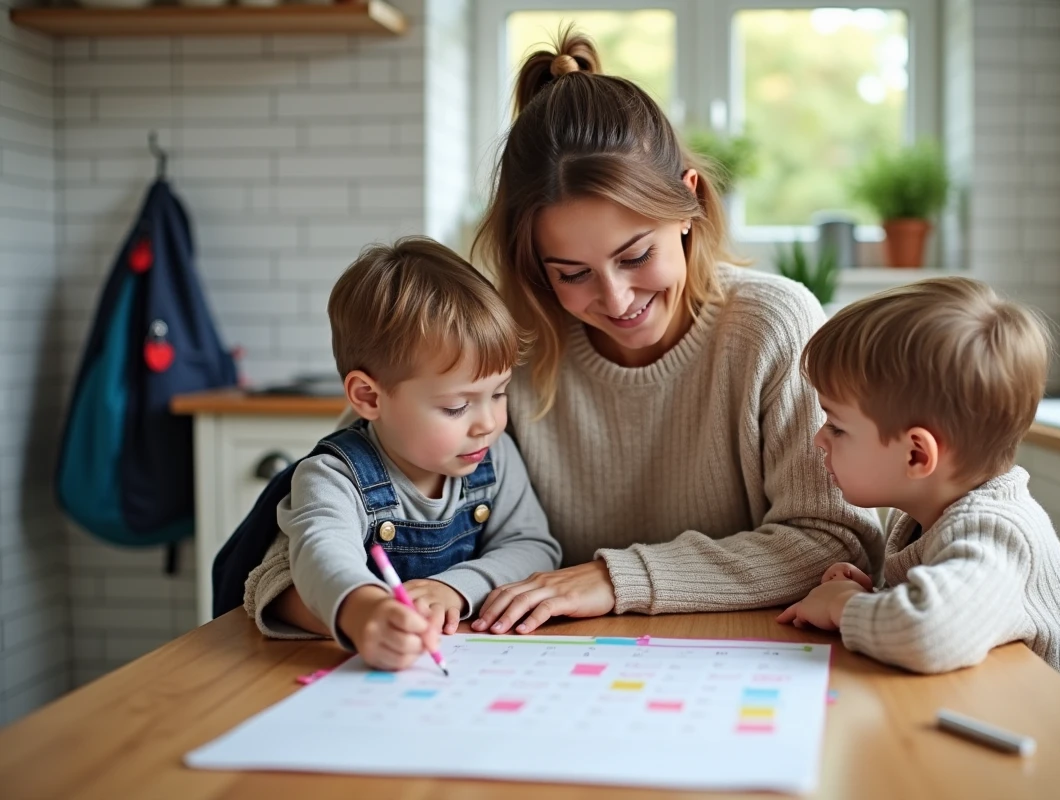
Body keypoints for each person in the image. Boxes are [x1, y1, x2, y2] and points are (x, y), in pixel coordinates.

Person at [465, 29, 881, 636]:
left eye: (635, 256)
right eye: (572, 273)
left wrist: (616, 579)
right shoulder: (506, 341)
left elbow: (834, 542)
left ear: (687, 205)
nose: (616, 299)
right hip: (559, 663)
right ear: (534, 265)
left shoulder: (773, 324)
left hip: (747, 656)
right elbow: (355, 477)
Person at [777, 277, 1060, 712]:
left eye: (838, 427)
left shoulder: (996, 530)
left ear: (917, 454)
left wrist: (847, 606)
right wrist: (877, 599)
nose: (819, 440)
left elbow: (929, 632)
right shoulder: (932, 516)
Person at [240, 237, 561, 670]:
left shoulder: (493, 455)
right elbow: (321, 553)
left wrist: (456, 588)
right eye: (457, 406)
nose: (488, 423)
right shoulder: (332, 476)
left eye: (499, 393)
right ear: (369, 397)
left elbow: (533, 546)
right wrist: (365, 610)